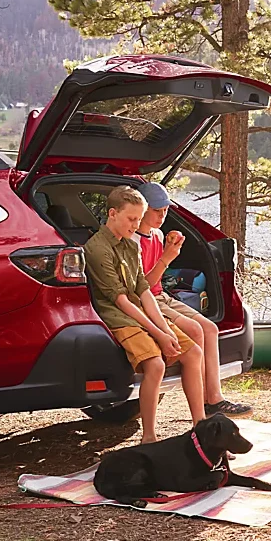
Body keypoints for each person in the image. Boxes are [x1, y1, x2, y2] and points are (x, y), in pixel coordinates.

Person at [83, 185, 206, 443]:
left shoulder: (131, 246)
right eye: (131, 219)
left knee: (193, 352)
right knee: (156, 364)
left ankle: (201, 427)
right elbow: (120, 300)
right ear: (113, 213)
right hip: (118, 316)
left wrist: (166, 329)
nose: (136, 225)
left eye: (139, 219)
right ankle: (149, 436)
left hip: (139, 311)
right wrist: (159, 334)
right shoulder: (96, 248)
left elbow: (144, 290)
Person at [134, 182, 253, 418]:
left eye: (165, 210)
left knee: (210, 328)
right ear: (142, 209)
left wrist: (168, 249)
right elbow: (142, 287)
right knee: (196, 330)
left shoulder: (157, 235)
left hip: (162, 296)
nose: (162, 216)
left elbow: (157, 281)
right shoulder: (133, 241)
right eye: (156, 210)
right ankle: (201, 409)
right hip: (148, 300)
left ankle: (214, 398)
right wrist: (167, 258)